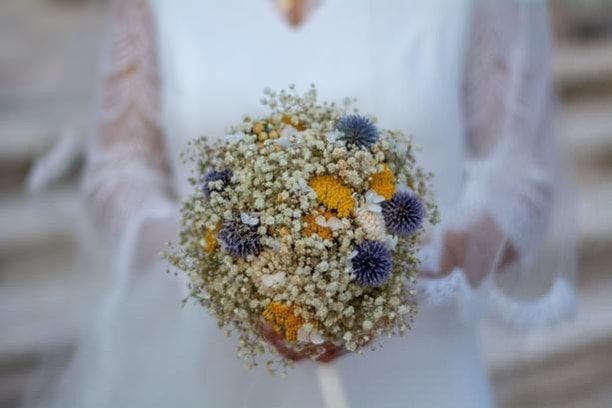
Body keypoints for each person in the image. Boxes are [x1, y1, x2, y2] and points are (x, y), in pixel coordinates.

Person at [36, 0, 576, 407]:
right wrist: (219, 264)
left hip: (422, 374)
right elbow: (119, 167)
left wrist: (409, 268)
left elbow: (521, 175)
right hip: (202, 377)